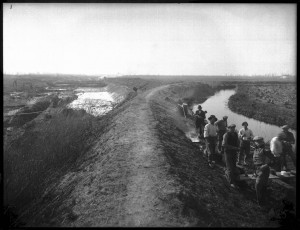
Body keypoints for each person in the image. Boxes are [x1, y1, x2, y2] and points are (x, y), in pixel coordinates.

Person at [252, 136, 276, 205]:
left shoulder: (265, 150)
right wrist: (254, 171)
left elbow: (274, 160)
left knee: (258, 185)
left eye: (259, 141)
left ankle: (260, 202)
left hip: (263, 171)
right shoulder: (256, 149)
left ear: (262, 142)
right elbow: (255, 161)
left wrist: (266, 165)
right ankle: (263, 200)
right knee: (262, 186)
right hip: (257, 170)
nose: (257, 143)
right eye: (256, 142)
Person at [222, 124, 240, 188]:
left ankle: (232, 177)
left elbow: (237, 141)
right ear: (228, 128)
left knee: (234, 166)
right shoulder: (226, 135)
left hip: (234, 152)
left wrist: (238, 146)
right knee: (230, 167)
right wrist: (234, 148)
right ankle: (231, 182)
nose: (233, 129)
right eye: (231, 128)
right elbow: (224, 144)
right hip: (228, 152)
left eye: (234, 128)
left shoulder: (235, 134)